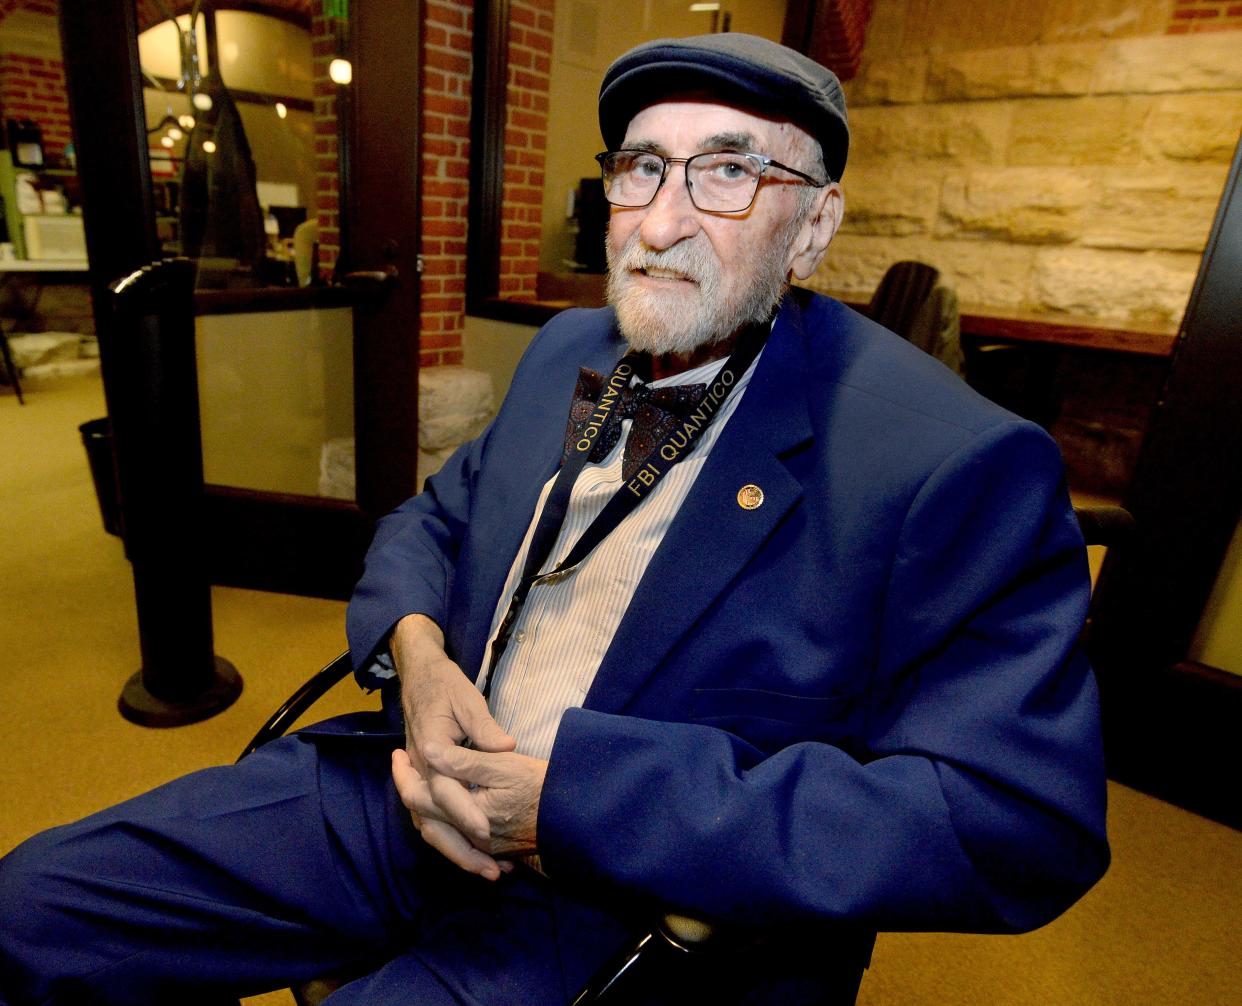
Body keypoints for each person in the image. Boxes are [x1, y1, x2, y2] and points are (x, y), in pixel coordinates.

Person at [0, 32, 1108, 1006]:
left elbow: (1012, 820)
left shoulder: (957, 462)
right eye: (642, 167)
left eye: (729, 170)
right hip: (410, 786)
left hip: (633, 905)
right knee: (29, 911)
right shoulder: (563, 354)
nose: (661, 224)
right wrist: (417, 653)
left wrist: (571, 805)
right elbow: (432, 520)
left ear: (814, 226)